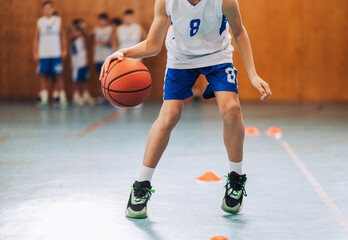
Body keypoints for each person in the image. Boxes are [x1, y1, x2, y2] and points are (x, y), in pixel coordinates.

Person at [100, 0, 272, 219]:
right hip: (180, 59)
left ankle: (236, 179)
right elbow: (153, 44)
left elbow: (239, 32)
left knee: (231, 110)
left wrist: (253, 74)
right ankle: (141, 185)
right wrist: (124, 52)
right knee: (169, 115)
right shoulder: (166, 2)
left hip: (217, 57)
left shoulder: (225, 1)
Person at [33, 1, 68, 109]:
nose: (48, 10)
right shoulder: (40, 22)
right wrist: (35, 52)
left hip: (56, 53)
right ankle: (44, 97)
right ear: (42, 10)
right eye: (45, 9)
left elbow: (62, 36)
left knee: (58, 75)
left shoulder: (58, 20)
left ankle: (61, 96)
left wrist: (64, 49)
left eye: (50, 8)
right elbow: (36, 38)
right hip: (44, 53)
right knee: (43, 75)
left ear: (53, 10)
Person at [69, 19, 94, 106]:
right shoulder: (72, 38)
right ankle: (76, 95)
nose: (77, 33)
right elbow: (71, 35)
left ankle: (85, 94)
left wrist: (84, 27)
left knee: (85, 78)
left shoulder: (83, 37)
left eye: (78, 31)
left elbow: (89, 35)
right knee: (75, 79)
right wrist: (73, 28)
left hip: (84, 61)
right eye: (76, 30)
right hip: (76, 62)